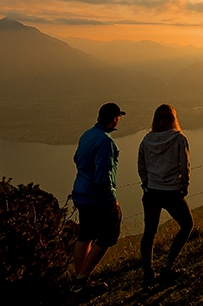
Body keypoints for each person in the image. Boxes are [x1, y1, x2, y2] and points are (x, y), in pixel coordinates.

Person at [70, 102, 124, 294]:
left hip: (81, 195)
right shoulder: (106, 142)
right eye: (119, 116)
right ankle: (83, 279)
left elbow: (77, 159)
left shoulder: (87, 135)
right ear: (114, 118)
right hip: (97, 198)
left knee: (84, 236)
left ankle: (79, 280)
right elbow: (104, 175)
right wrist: (112, 201)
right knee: (108, 236)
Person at [138, 104, 193, 286]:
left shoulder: (146, 140)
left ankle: (148, 272)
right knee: (186, 225)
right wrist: (184, 184)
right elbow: (184, 164)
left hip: (152, 192)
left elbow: (141, 166)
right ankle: (167, 265)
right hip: (172, 192)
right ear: (173, 119)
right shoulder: (178, 138)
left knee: (149, 233)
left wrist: (147, 183)